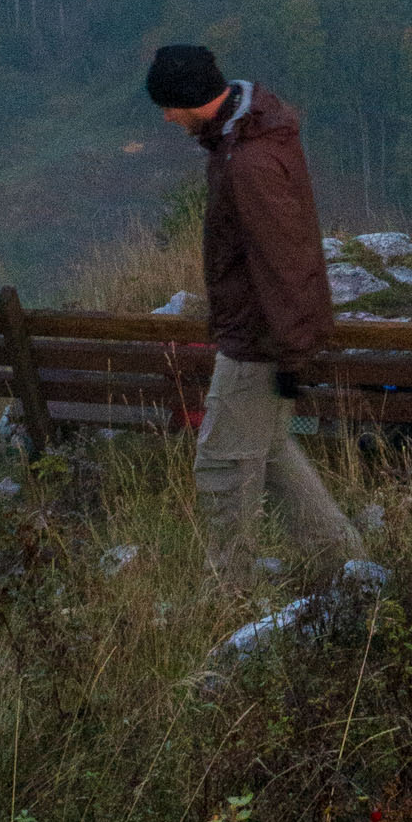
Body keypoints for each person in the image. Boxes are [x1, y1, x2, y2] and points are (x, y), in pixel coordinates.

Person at [146, 42, 363, 585]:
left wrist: (290, 349)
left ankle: (230, 586)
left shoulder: (249, 161)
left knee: (221, 462)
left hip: (259, 339)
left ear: (194, 100)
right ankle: (346, 562)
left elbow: (284, 258)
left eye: (169, 107)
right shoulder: (244, 140)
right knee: (271, 451)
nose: (167, 117)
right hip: (262, 332)